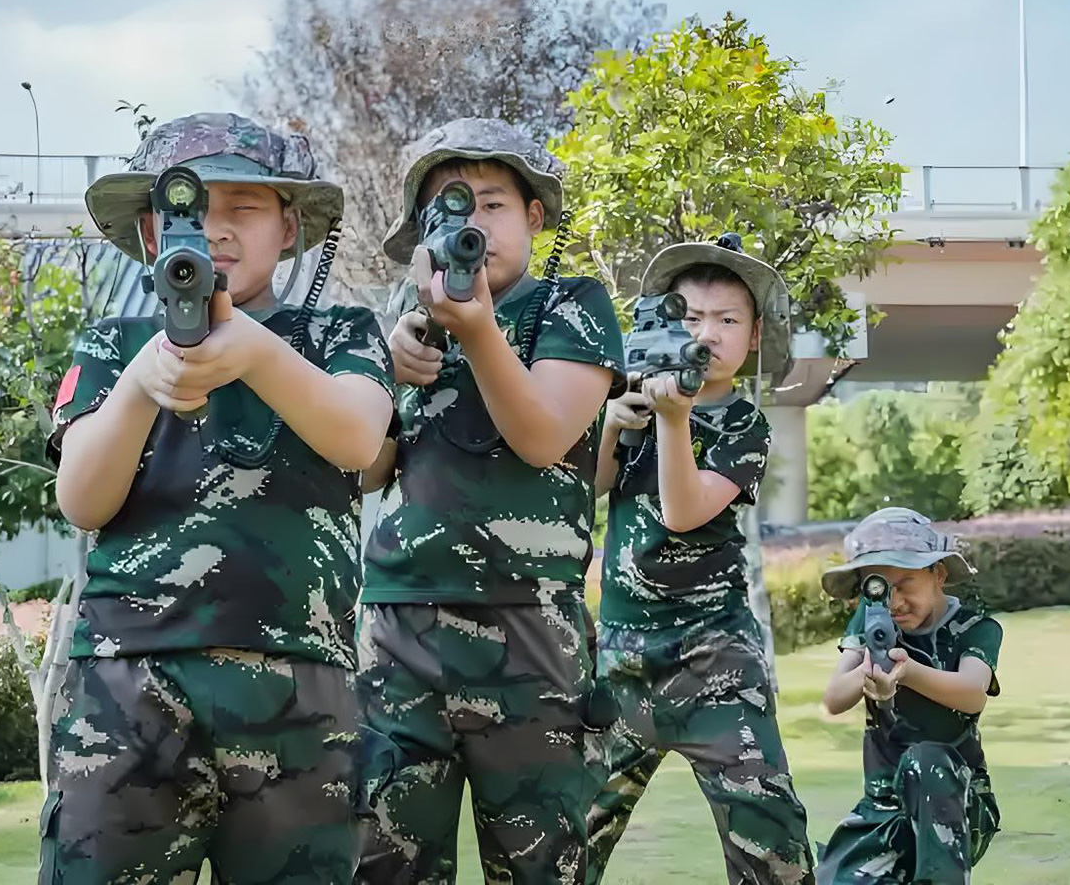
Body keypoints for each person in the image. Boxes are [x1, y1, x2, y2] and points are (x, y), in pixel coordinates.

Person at [42, 113, 395, 883]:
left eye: (245, 206)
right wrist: (142, 380)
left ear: (289, 226)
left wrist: (257, 351)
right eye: (191, 209)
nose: (216, 229)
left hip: (299, 689)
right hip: (126, 685)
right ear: (148, 232)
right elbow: (83, 499)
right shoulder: (111, 342)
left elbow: (360, 441)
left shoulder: (338, 333)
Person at [355, 118, 624, 884]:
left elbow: (542, 434)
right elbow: (369, 469)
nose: (470, 225)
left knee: (541, 868)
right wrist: (387, 373)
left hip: (529, 631)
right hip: (398, 629)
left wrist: (472, 330)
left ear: (534, 217)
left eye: (492, 205)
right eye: (448, 208)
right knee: (384, 867)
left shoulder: (571, 307)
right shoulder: (404, 329)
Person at [586, 236, 815, 885]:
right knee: (564, 836)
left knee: (770, 841)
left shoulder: (745, 425)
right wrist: (610, 424)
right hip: (623, 656)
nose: (706, 333)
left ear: (754, 335)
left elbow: (684, 512)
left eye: (727, 319)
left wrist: (672, 421)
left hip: (714, 658)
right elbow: (594, 487)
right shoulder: (629, 393)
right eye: (689, 317)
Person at [816, 507, 1003, 885]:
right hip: (885, 806)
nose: (895, 601)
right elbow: (833, 699)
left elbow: (972, 693)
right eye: (880, 588)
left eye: (906, 583)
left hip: (958, 801)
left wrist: (909, 673)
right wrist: (870, 672)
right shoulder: (868, 623)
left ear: (938, 574)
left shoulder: (975, 627)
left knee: (927, 759)